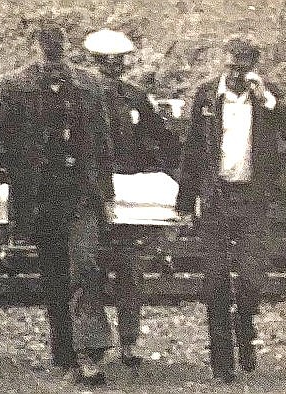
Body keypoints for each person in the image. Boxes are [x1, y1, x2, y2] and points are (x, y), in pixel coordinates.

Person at [0, 24, 114, 385]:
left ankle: (90, 353)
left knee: (86, 265)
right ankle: (65, 350)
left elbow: (103, 142)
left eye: (58, 52)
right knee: (55, 274)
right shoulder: (15, 86)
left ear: (66, 49)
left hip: (80, 192)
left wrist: (106, 195)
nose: (54, 59)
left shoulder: (90, 86)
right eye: (48, 53)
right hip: (40, 195)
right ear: (37, 50)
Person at [177, 37, 286, 383]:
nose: (234, 75)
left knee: (251, 277)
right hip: (216, 198)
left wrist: (267, 100)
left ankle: (244, 329)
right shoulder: (206, 95)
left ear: (252, 68)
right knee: (215, 278)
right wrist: (186, 203)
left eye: (241, 69)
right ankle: (222, 362)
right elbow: (192, 152)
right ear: (223, 63)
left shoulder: (266, 96)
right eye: (230, 67)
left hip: (253, 200)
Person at [83, 28, 181, 367]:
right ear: (95, 63)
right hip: (90, 193)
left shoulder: (136, 96)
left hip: (130, 193)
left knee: (129, 270)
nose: (113, 70)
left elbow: (161, 135)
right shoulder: (81, 94)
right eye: (106, 64)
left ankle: (128, 341)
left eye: (118, 64)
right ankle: (93, 348)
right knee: (88, 271)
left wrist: (167, 171)